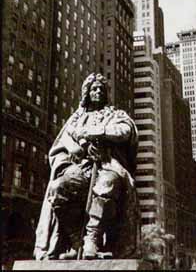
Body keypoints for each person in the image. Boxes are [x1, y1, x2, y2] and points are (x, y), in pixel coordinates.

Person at [34, 73, 139, 260]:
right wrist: (79, 147)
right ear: (87, 93)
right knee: (57, 189)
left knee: (107, 184)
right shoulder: (76, 118)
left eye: (101, 89)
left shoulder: (115, 114)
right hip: (80, 168)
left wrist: (96, 133)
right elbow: (63, 142)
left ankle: (92, 240)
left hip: (107, 166)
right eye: (93, 89)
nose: (97, 91)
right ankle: (76, 242)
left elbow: (126, 131)